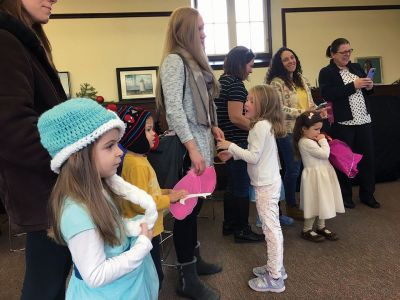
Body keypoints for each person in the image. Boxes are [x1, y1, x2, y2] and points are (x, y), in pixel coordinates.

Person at [37, 98, 159, 299]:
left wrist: (130, 227)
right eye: (110, 146)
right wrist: (142, 245)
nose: (120, 152)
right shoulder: (76, 211)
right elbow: (95, 274)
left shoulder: (100, 189)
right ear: (79, 156)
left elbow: (109, 230)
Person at [0, 1, 72, 298]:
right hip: (44, 192)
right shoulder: (6, 41)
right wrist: (76, 160)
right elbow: (12, 131)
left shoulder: (21, 40)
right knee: (45, 285)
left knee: (50, 281)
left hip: (49, 190)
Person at [156, 7, 222, 300]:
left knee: (195, 209)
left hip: (202, 144)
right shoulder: (174, 62)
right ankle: (187, 277)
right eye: (199, 28)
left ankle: (194, 260)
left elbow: (207, 106)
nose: (204, 34)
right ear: (184, 31)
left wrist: (215, 128)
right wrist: (193, 148)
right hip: (188, 149)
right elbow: (175, 109)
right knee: (184, 213)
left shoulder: (195, 62)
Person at [217, 85, 287, 293]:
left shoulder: (259, 127)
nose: (245, 104)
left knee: (270, 229)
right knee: (271, 227)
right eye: (247, 99)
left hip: (266, 185)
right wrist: (234, 154)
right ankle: (276, 267)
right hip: (268, 182)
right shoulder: (263, 125)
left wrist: (230, 146)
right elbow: (255, 153)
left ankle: (275, 277)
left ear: (263, 105)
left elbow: (254, 157)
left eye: (250, 101)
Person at [116, 105, 187, 289]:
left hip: (149, 227)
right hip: (143, 229)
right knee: (153, 275)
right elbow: (141, 203)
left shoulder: (139, 159)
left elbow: (147, 192)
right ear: (134, 136)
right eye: (148, 130)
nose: (154, 134)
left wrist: (165, 192)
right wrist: (169, 199)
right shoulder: (137, 165)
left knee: (153, 272)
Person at [318, 38, 379, 209]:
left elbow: (365, 92)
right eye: (343, 52)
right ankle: (345, 196)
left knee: (368, 159)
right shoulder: (326, 72)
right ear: (333, 54)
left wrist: (369, 86)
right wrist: (354, 85)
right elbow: (327, 93)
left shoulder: (356, 68)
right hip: (344, 122)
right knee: (345, 160)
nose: (347, 55)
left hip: (364, 119)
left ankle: (368, 194)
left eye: (349, 51)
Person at [214, 46, 264, 243]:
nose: (251, 70)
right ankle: (242, 230)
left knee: (233, 185)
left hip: (226, 141)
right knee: (241, 186)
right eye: (250, 66)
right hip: (236, 141)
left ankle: (230, 224)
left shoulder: (222, 81)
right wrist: (258, 127)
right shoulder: (234, 84)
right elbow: (236, 117)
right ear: (241, 64)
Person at [266, 47, 316, 220]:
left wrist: (318, 111)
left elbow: (310, 102)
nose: (290, 61)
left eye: (292, 57)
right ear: (280, 64)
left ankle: (302, 202)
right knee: (293, 169)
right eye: (286, 59)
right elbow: (278, 108)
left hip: (305, 129)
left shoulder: (301, 79)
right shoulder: (276, 82)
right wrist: (303, 112)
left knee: (303, 168)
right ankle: (291, 206)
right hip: (287, 131)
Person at [292, 111, 345, 242]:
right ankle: (306, 229)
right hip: (315, 177)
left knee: (324, 201)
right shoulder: (305, 142)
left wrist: (321, 139)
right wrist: (323, 141)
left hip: (323, 174)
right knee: (315, 203)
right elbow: (324, 154)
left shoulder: (311, 139)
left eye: (320, 129)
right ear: (304, 129)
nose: (319, 132)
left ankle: (321, 227)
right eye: (316, 129)